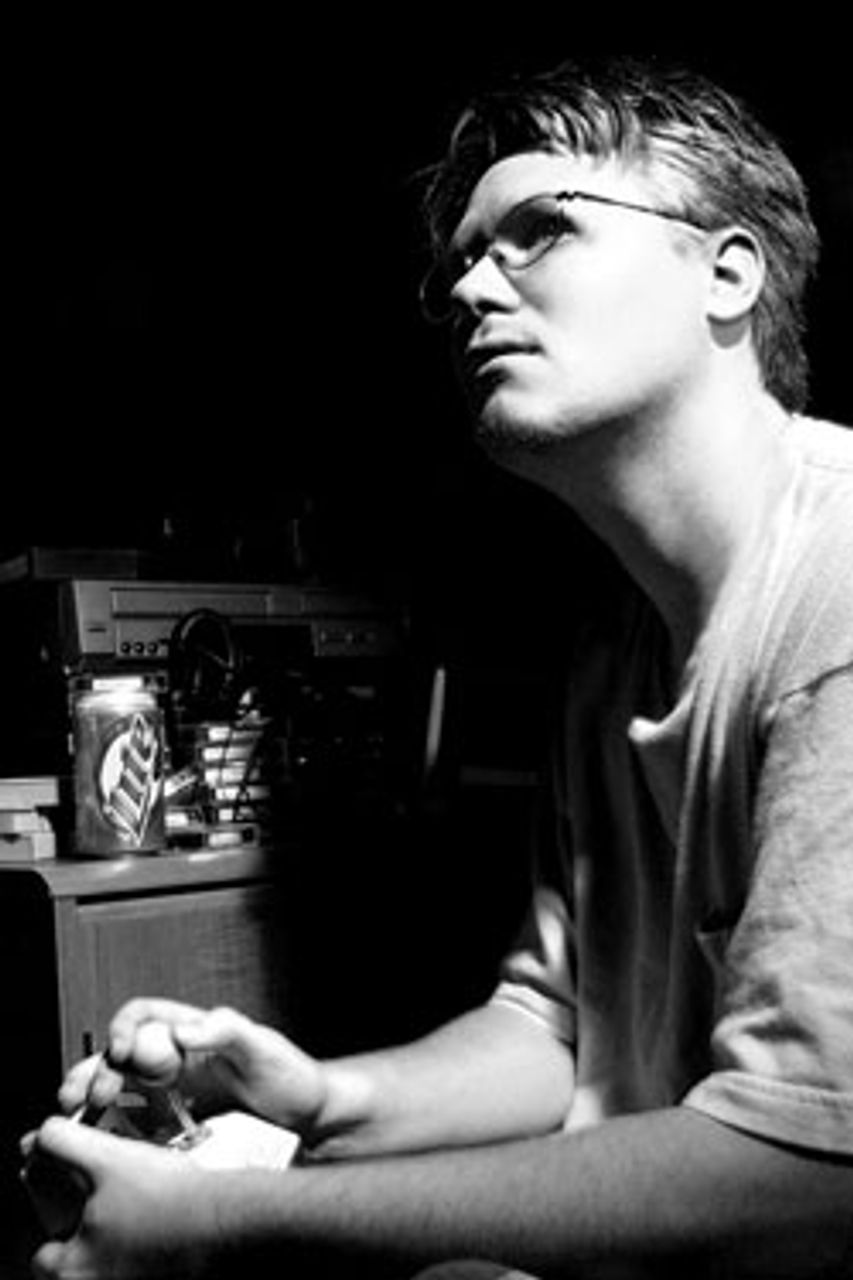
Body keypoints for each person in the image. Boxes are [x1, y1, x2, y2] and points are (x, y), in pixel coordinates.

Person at [24, 54, 853, 1278]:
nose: (468, 285)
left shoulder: (836, 586)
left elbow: (808, 1173)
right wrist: (321, 1097)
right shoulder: (614, 644)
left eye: (539, 229)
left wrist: (223, 1219)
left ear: (726, 274)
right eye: (460, 259)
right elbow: (553, 1029)